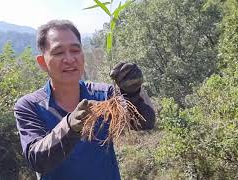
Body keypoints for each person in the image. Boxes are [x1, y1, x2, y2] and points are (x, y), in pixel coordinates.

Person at [14, 19, 156, 180]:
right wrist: (69, 125)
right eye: (58, 52)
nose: (69, 59)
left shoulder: (104, 94)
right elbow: (37, 160)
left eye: (75, 50)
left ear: (82, 54)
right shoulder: (29, 106)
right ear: (42, 62)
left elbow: (145, 122)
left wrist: (133, 91)